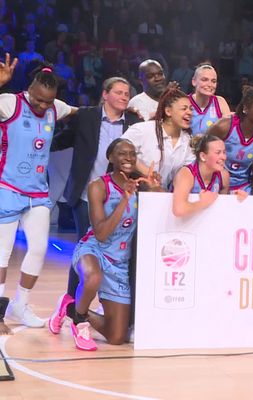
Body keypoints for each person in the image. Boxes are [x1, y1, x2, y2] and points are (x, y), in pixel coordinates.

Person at [48, 77, 143, 335]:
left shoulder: (134, 123)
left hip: (122, 193)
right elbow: (63, 139)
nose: (125, 96)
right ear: (105, 94)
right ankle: (74, 308)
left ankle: (98, 306)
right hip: (87, 193)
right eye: (119, 92)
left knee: (117, 248)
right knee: (88, 250)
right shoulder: (87, 116)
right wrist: (37, 144)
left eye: (127, 93)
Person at [0, 58, 78, 335]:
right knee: (2, 255)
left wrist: (122, 108)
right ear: (29, 89)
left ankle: (21, 305)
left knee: (38, 249)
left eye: (49, 102)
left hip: (38, 193)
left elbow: (82, 113)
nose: (43, 106)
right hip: (6, 188)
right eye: (38, 100)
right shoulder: (10, 103)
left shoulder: (55, 108)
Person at [69, 138, 160, 350]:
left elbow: (162, 207)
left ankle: (70, 308)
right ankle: (79, 323)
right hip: (94, 250)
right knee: (93, 276)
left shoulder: (140, 186)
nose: (128, 158)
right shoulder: (98, 186)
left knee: (117, 337)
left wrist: (155, 187)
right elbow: (100, 233)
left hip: (119, 263)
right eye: (122, 153)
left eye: (132, 153)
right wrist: (124, 200)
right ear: (110, 157)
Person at [122, 87, 195, 189]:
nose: (190, 112)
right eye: (184, 108)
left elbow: (188, 171)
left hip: (162, 196)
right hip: (131, 191)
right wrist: (147, 172)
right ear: (168, 111)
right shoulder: (143, 130)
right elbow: (118, 150)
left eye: (191, 109)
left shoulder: (187, 141)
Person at [206, 88, 253, 193]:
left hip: (243, 187)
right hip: (215, 182)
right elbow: (203, 152)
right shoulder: (224, 126)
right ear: (245, 109)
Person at [172, 135, 248, 218]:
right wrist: (203, 203)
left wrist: (234, 198)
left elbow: (222, 209)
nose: (224, 157)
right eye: (218, 153)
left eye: (224, 152)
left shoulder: (223, 175)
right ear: (203, 156)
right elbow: (179, 210)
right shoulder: (186, 174)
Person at [188, 64, 231, 136]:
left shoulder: (220, 102)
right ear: (194, 81)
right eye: (204, 80)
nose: (209, 84)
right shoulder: (185, 101)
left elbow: (228, 132)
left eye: (213, 81)